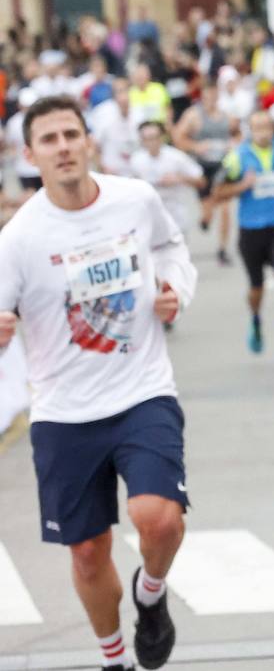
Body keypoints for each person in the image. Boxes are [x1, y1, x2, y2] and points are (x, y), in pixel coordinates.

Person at [0, 94, 196, 671]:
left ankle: (151, 594)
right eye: (49, 140)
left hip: (142, 391)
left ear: (88, 140)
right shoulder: (18, 239)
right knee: (87, 551)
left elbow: (170, 247)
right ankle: (115, 659)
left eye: (70, 135)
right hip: (63, 411)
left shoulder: (134, 199)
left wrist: (175, 290)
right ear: (29, 154)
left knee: (158, 516)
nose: (62, 147)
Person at [216, 109, 274, 364]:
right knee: (257, 289)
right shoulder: (237, 158)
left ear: (273, 130)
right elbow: (218, 191)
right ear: (250, 131)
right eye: (258, 128)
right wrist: (243, 186)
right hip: (251, 230)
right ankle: (255, 319)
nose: (263, 132)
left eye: (267, 127)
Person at [173, 81, 238, 266]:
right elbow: (178, 137)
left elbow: (238, 134)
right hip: (202, 167)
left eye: (214, 95)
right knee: (208, 209)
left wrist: (234, 144)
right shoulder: (193, 116)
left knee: (225, 207)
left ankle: (222, 249)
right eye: (207, 95)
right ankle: (205, 218)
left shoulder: (227, 116)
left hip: (223, 166)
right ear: (202, 96)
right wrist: (196, 146)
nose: (211, 99)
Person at [129, 121, 206, 236]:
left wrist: (179, 178)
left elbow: (202, 181)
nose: (151, 142)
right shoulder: (136, 160)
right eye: (146, 138)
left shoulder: (176, 157)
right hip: (149, 222)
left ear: (162, 137)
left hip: (176, 220)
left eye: (154, 137)